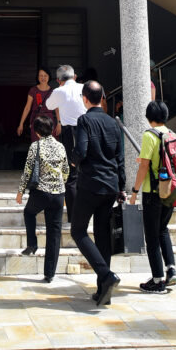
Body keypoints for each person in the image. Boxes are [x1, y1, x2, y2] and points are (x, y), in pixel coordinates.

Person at [70, 80, 125, 307]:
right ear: (102, 96)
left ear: (84, 98)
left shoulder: (84, 120)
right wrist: (121, 186)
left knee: (78, 231)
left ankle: (106, 275)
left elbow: (81, 150)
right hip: (110, 186)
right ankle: (104, 292)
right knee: (103, 235)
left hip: (90, 184)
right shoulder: (114, 124)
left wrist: (74, 161)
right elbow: (120, 158)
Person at [128, 100, 176, 293]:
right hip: (170, 191)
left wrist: (134, 191)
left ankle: (157, 281)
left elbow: (144, 167)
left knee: (152, 237)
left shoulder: (150, 135)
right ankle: (171, 270)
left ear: (149, 118)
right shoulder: (172, 134)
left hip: (153, 192)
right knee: (163, 230)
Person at [16, 114, 69, 283]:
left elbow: (28, 170)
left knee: (29, 213)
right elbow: (66, 170)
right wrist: (59, 184)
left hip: (41, 191)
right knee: (54, 233)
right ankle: (50, 273)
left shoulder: (35, 146)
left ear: (37, 131)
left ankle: (32, 244)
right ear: (52, 129)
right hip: (59, 194)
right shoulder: (61, 146)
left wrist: (20, 191)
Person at [46, 65, 85, 219]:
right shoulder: (85, 87)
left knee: (71, 175)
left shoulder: (59, 91)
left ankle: (73, 216)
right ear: (74, 76)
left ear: (58, 80)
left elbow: (49, 105)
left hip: (70, 133)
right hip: (88, 129)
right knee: (88, 171)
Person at [17, 66, 56, 143]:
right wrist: (21, 124)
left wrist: (59, 123)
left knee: (50, 145)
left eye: (45, 76)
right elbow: (27, 108)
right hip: (36, 120)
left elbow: (57, 108)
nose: (43, 78)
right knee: (36, 144)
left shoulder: (53, 91)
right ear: (38, 77)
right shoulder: (33, 90)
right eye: (41, 76)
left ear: (49, 77)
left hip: (49, 120)